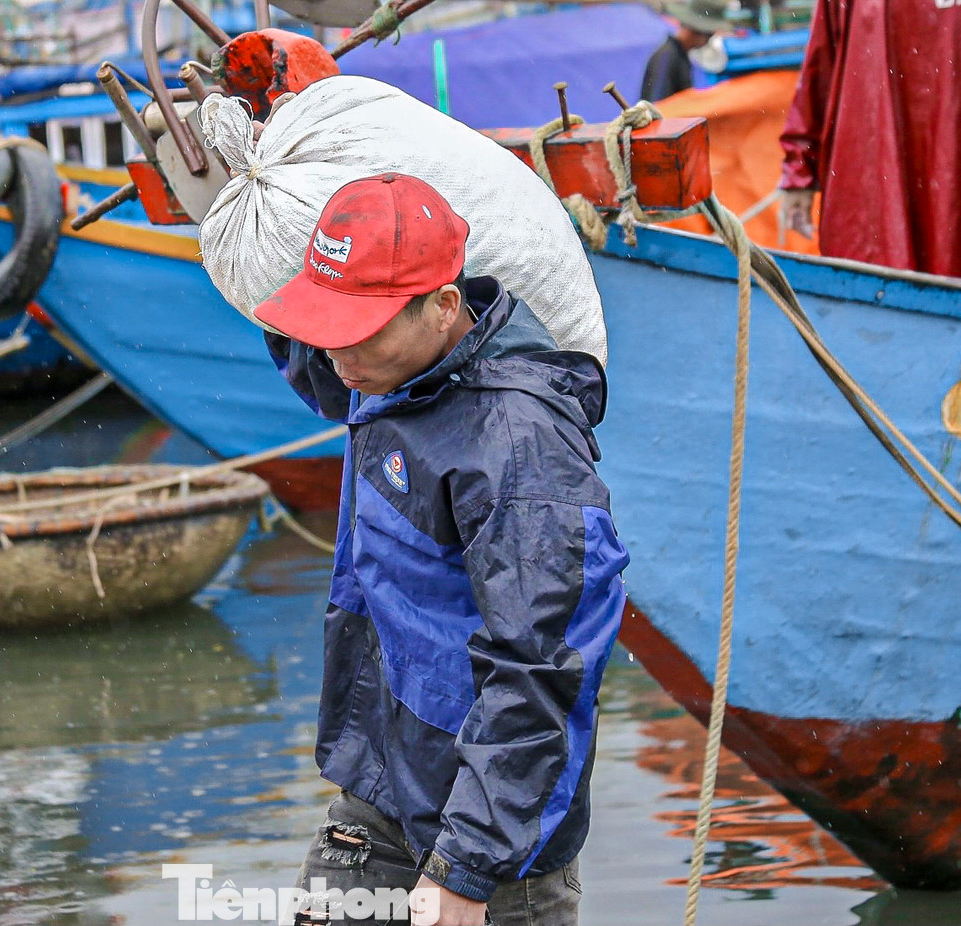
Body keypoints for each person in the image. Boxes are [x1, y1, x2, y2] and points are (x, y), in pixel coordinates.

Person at [254, 172, 629, 925]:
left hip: (495, 848)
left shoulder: (519, 447)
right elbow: (323, 358)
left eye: (359, 332)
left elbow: (542, 666)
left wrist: (466, 868)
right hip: (381, 791)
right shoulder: (381, 366)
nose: (339, 357)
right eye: (328, 330)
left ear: (443, 307)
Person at [779, 0, 961, 280]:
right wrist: (799, 171)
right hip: (900, 183)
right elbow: (821, 65)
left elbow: (820, 67)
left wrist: (800, 170)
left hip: (949, 184)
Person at [639, 0, 727, 102]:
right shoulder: (667, 57)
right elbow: (658, 105)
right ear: (697, 31)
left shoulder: (679, 54)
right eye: (709, 35)